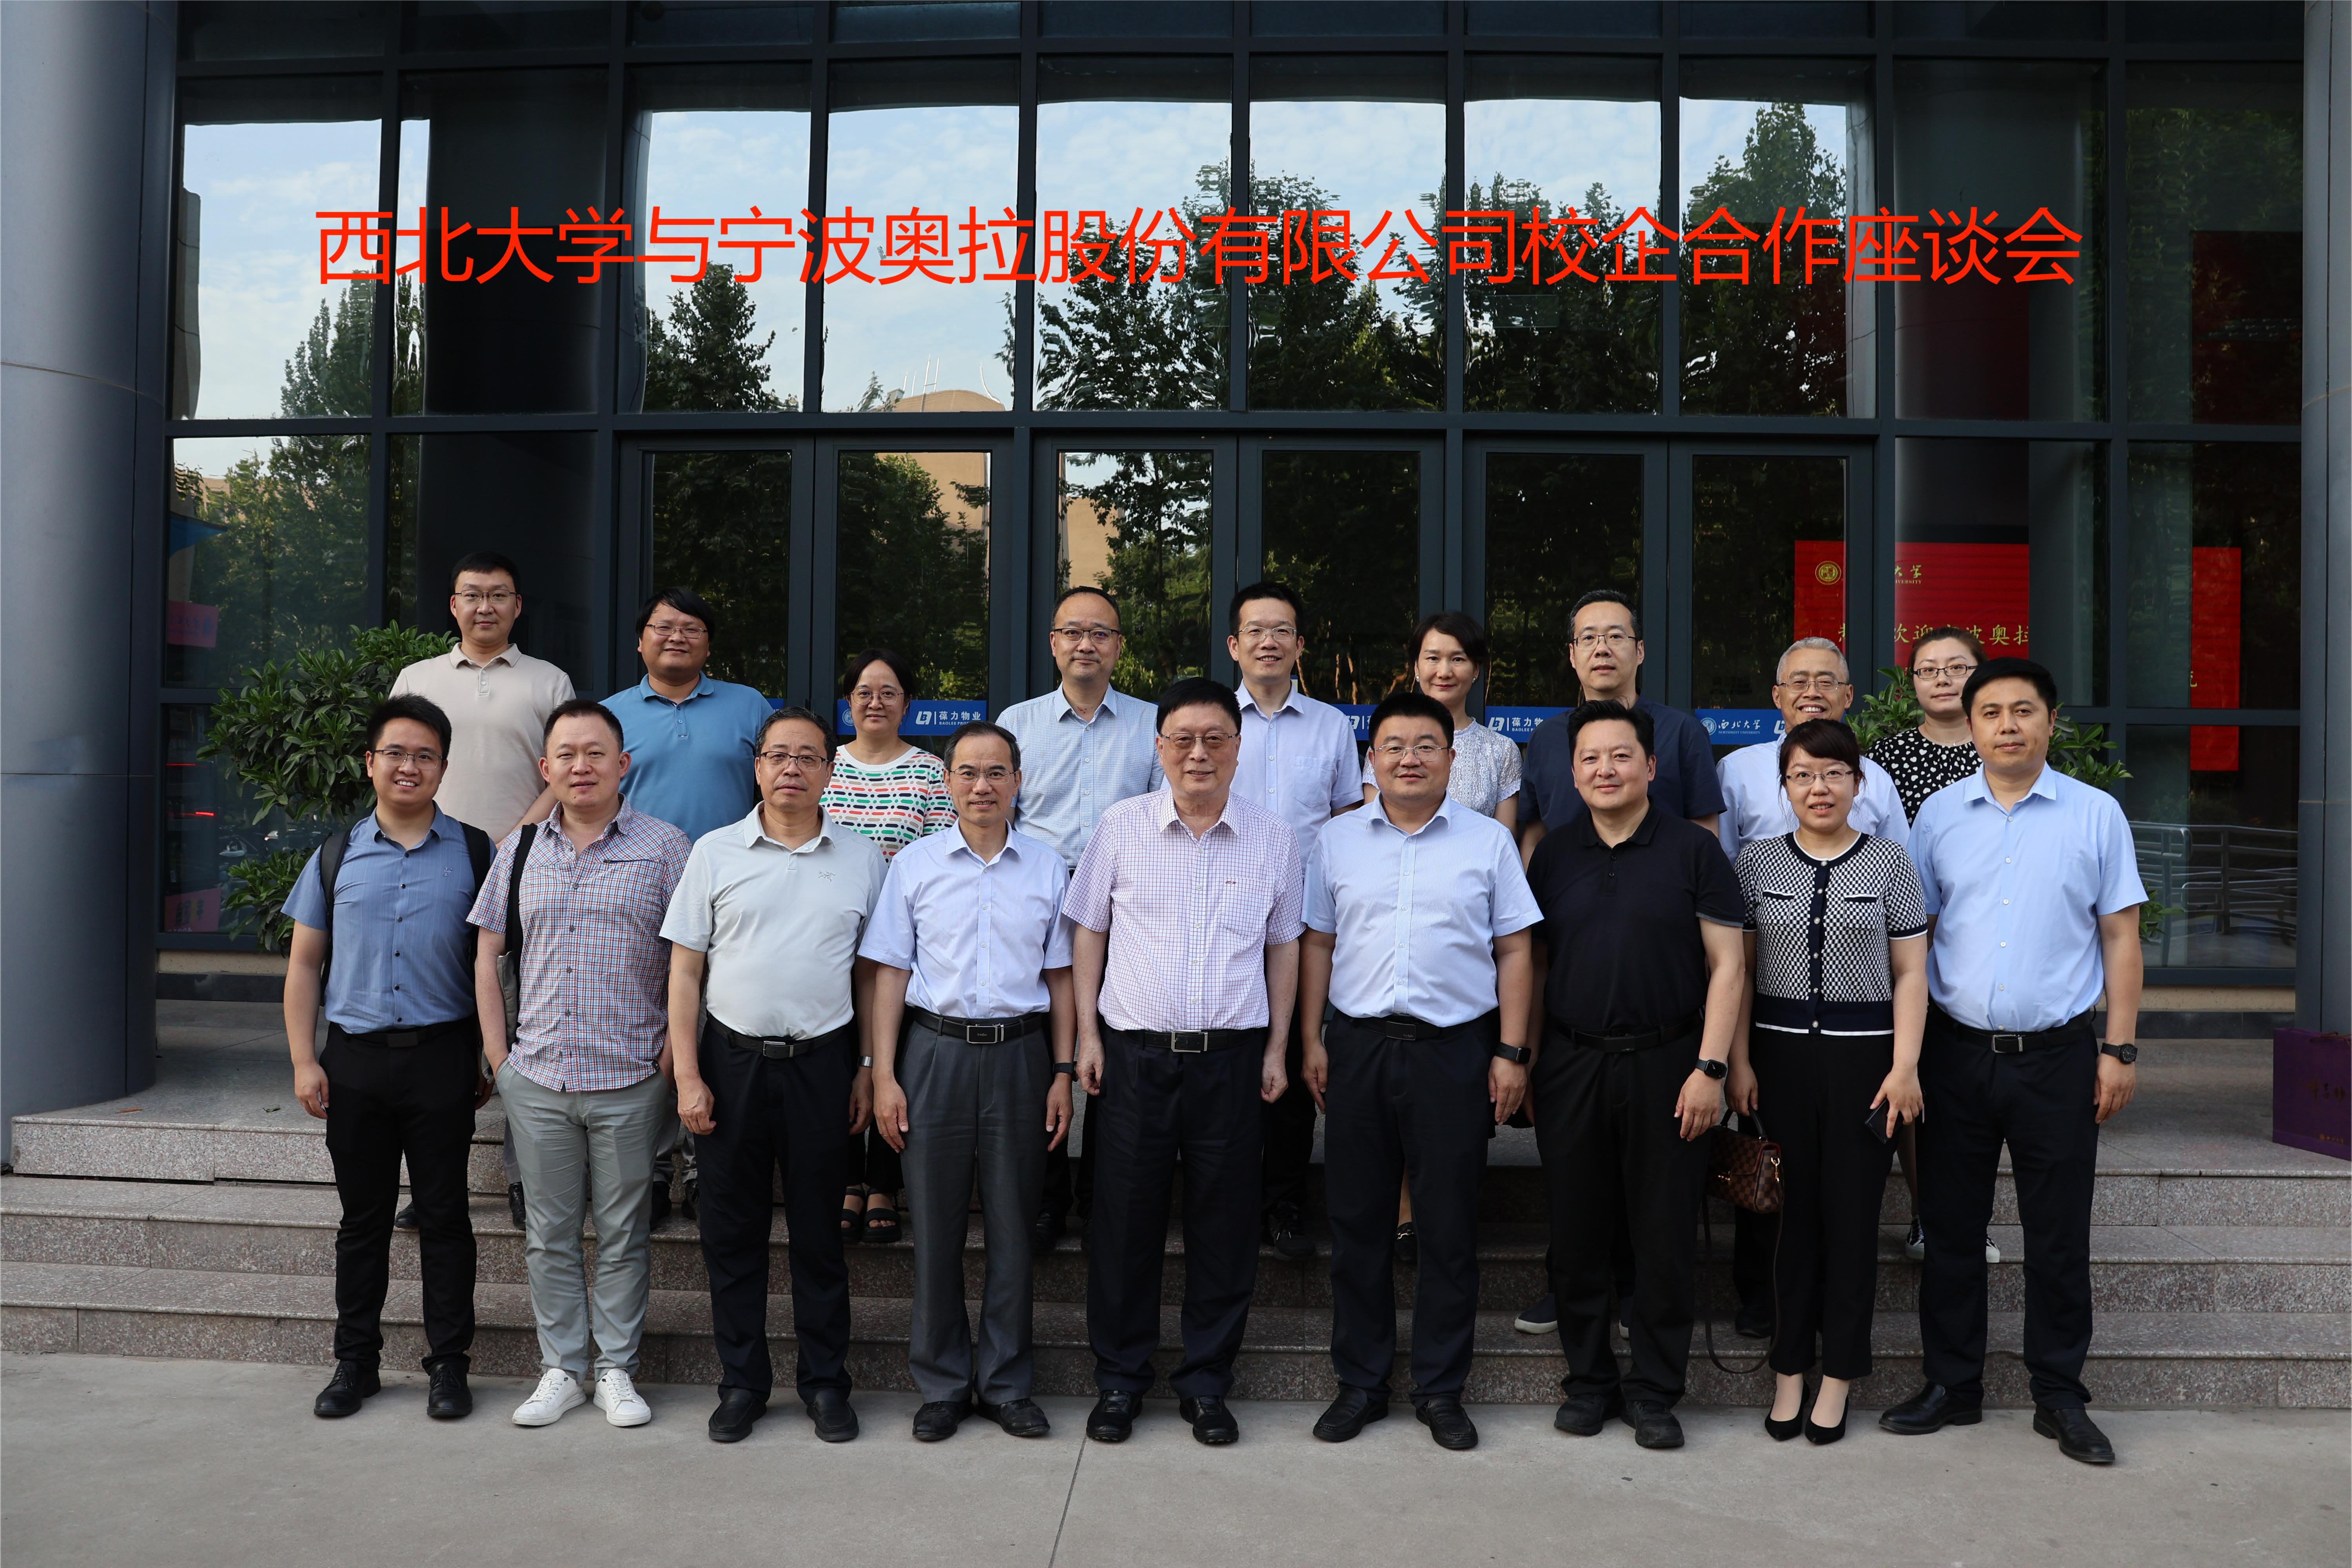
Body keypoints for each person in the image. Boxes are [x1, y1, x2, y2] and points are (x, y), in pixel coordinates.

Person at [1880, 658, 2145, 1468]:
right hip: (1956, 1055)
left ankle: (2059, 1394)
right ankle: (1952, 1384)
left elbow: (2121, 937)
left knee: (2058, 1234)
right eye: (1990, 711)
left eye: (2023, 710)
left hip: (2059, 1059)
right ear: (1971, 725)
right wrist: (1908, 1055)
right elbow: (1916, 940)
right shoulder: (1937, 816)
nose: (2007, 725)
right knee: (1951, 1231)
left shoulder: (2096, 814)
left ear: (2051, 722)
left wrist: (2119, 1048)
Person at [1067, 677, 1303, 1448]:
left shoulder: (1273, 837)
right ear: (1160, 746)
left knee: (1225, 1227)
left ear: (1238, 746)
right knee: (1123, 1225)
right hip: (1134, 1059)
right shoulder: (1121, 826)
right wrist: (1088, 1038)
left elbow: (1284, 946)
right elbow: (1089, 931)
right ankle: (1119, 1379)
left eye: (1215, 739)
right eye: (1183, 739)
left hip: (1231, 1062)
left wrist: (1278, 1046)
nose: (1199, 753)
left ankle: (1206, 1384)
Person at [1302, 691, 1539, 1453]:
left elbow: (1515, 949)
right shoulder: (1337, 840)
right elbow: (1316, 943)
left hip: (1455, 1051)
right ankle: (1361, 1382)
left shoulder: (1487, 841)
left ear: (1451, 758)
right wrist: (1310, 1038)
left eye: (1426, 745)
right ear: (1371, 759)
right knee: (1358, 1223)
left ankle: (1440, 1388)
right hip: (1359, 1047)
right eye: (1395, 746)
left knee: (1447, 1228)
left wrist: (1511, 1051)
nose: (1410, 758)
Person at [662, 707, 889, 1445]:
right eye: (778, 755)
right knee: (732, 1235)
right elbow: (686, 972)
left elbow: (871, 975)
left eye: (808, 756)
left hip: (824, 1064)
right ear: (757, 767)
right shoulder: (715, 852)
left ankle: (825, 1384)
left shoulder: (862, 858)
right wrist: (688, 1074)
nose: (792, 768)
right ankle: (742, 1384)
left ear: (830, 770)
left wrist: (866, 1068)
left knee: (821, 1235)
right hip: (731, 1064)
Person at [1526, 700, 1746, 1452]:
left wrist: (1710, 1068)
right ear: (1573, 772)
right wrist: (1527, 1060)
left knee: (1662, 1235)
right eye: (1590, 759)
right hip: (1571, 1064)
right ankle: (1589, 1382)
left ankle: (1655, 1391)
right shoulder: (1553, 855)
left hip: (1670, 1064)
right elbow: (1536, 965)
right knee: (1577, 1233)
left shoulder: (1694, 851)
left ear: (1651, 766)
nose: (1605, 770)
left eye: (1621, 756)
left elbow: (1728, 966)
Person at [470, 699, 692, 1431]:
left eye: (596, 753)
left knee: (626, 1232)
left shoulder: (667, 848)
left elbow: (690, 961)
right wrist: (500, 1059)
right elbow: (487, 956)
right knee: (549, 1234)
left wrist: (670, 1061)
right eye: (566, 754)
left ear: (622, 764)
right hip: (538, 1077)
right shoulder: (520, 850)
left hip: (631, 1077)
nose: (581, 766)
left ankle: (616, 1369)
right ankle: (562, 1368)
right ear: (546, 768)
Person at [1512, 588, 1722, 1340]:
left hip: (1657, 965)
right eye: (1588, 638)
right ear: (1572, 655)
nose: (1602, 649)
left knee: (1653, 1169)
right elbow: (1533, 833)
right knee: (1576, 1169)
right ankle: (1572, 1287)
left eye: (1616, 636)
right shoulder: (1545, 739)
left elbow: (1704, 832)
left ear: (1639, 650)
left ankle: (1640, 1295)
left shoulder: (1681, 731)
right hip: (1571, 953)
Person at [862, 720, 1076, 1442]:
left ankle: (1008, 1384)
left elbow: (1062, 978)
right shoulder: (915, 866)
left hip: (1021, 1056)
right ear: (947, 782)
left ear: (1018, 781)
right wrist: (884, 1075)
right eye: (968, 773)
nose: (982, 787)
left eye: (997, 773)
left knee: (1015, 1227)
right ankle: (944, 1384)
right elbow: (890, 974)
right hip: (934, 1055)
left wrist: (1063, 1072)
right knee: (936, 1227)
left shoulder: (1047, 868)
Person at [283, 695, 493, 1423]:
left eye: (425, 755)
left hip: (442, 1058)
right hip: (355, 1062)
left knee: (446, 1217)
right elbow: (303, 966)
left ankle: (449, 1365)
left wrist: (486, 1053)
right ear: (370, 762)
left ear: (444, 767)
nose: (410, 766)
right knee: (363, 1221)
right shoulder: (335, 854)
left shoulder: (476, 852)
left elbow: (493, 965)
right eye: (396, 753)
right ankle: (356, 1363)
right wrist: (305, 1062)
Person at [1726, 719, 1928, 1446]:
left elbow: (1911, 973)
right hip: (1775, 1064)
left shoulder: (1890, 863)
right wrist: (1738, 1062)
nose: (1820, 788)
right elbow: (1739, 971)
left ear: (1858, 784)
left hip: (1865, 1068)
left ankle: (1838, 1375)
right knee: (1786, 1222)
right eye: (1804, 775)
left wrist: (1905, 1068)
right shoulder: (1756, 862)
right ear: (1784, 786)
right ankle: (1788, 1371)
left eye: (1835, 773)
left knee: (1851, 1221)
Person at [1712, 638, 1914, 1333]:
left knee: (1847, 1187)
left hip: (1860, 1034)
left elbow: (1907, 945)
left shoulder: (1880, 806)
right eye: (1797, 680)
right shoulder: (1739, 777)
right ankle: (1764, 1302)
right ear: (1776, 696)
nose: (1812, 690)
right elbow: (1731, 935)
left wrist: (1905, 1060)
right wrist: (1734, 1057)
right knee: (1767, 1168)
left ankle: (1835, 1317)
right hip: (1772, 1025)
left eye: (1826, 680)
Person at [391, 550, 575, 1231]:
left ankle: (526, 1179)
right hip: (433, 868)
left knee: (525, 1024)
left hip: (525, 869)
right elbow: (398, 764)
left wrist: (514, 843)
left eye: (499, 595)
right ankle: (434, 1184)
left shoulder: (548, 681)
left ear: (517, 606)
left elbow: (564, 772)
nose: (485, 606)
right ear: (454, 605)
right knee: (441, 1029)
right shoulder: (418, 679)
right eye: (472, 594)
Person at [999, 586, 1163, 1252]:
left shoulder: (1152, 723)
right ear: (1053, 644)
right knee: (1046, 1058)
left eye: (1100, 633)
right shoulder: (1019, 723)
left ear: (1119, 647)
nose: (1086, 644)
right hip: (1038, 911)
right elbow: (1003, 819)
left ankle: (1101, 1198)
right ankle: (1046, 1200)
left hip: (1127, 915)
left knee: (1115, 1056)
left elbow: (1160, 821)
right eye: (1073, 632)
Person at [1359, 610, 1521, 1266]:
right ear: (1415, 664)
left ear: (1476, 669)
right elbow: (1375, 831)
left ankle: (1445, 1211)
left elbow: (1506, 839)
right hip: (1398, 920)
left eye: (1457, 658)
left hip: (1467, 919)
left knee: (1455, 1093)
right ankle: (1404, 1212)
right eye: (1432, 657)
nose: (1444, 670)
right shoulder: (1389, 739)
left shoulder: (1500, 751)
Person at [607, 586, 772, 1230]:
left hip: (731, 894)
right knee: (651, 1030)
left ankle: (707, 1169)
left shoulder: (748, 706)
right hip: (638, 890)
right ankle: (652, 1170)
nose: (676, 636)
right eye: (663, 626)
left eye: (691, 628)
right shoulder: (612, 713)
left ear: (709, 644)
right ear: (640, 640)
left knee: (714, 1028)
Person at [1226, 581, 1362, 1263]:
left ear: (1300, 645)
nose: (1269, 642)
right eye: (1256, 630)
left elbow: (1347, 822)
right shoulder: (1214, 720)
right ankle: (1229, 1202)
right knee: (1231, 1061)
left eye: (1282, 630)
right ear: (1235, 645)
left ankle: (1283, 1204)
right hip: (1224, 917)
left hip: (1307, 924)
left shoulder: (1332, 727)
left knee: (1295, 1059)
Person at [821, 647, 955, 1247]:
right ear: (848, 703)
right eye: (864, 692)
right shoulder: (825, 767)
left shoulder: (930, 772)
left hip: (903, 949)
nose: (875, 702)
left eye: (889, 692)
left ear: (908, 704)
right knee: (843, 1063)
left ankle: (884, 1183)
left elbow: (940, 863)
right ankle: (848, 1179)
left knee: (892, 1062)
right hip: (830, 946)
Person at [1867, 627, 1987, 1265]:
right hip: (1904, 942)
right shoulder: (1883, 758)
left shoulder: (2004, 750)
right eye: (1928, 669)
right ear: (1910, 683)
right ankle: (1925, 1215)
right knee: (1915, 1079)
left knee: (1968, 1096)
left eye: (1956, 667)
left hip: (1981, 942)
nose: (1942, 679)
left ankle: (1967, 1219)